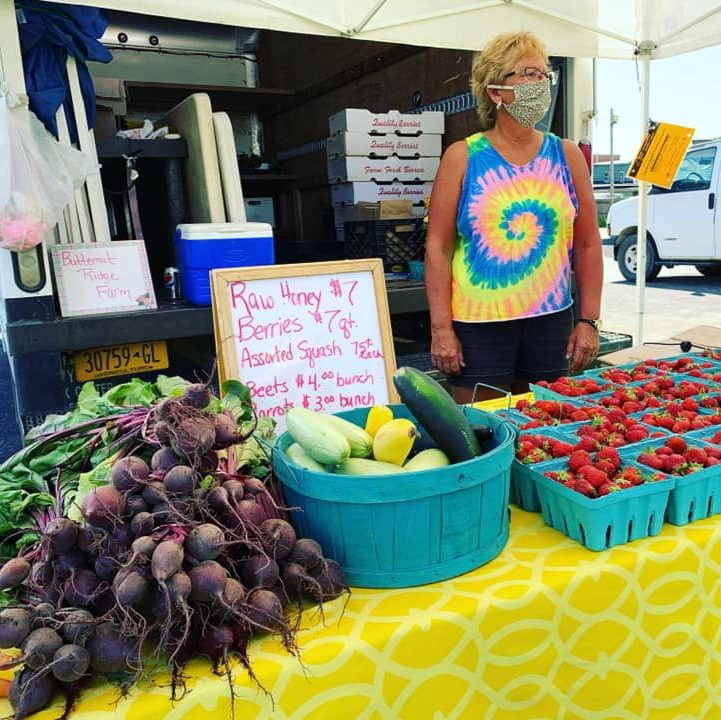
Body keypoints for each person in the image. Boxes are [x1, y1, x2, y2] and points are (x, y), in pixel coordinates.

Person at [424, 30, 603, 404]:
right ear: (495, 91)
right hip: (478, 328)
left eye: (544, 74)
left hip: (551, 323)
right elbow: (438, 247)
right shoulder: (462, 157)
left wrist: (589, 320)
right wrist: (441, 328)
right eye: (528, 73)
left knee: (544, 426)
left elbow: (587, 243)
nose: (540, 83)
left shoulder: (566, 155)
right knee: (483, 429)